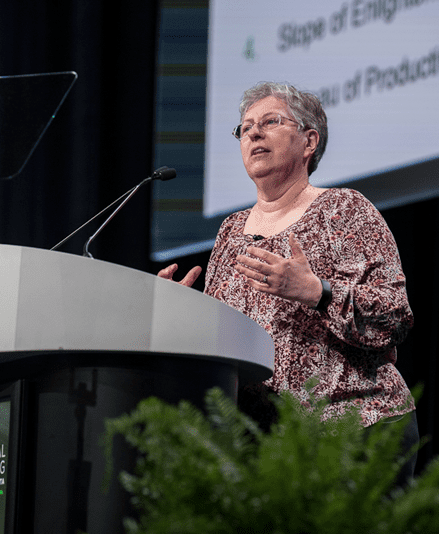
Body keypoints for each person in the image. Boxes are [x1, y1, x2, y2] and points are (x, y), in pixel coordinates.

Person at [159, 81, 418, 482]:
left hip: (352, 428)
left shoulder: (344, 210)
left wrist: (317, 292)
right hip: (261, 443)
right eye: (245, 128)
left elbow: (394, 317)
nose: (254, 134)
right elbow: (228, 339)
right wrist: (184, 316)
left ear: (308, 141)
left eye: (270, 122)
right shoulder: (231, 231)